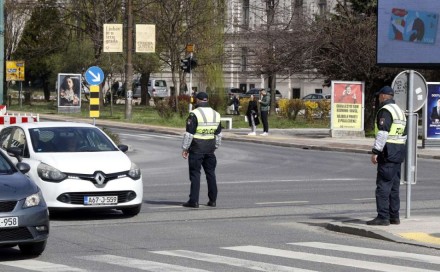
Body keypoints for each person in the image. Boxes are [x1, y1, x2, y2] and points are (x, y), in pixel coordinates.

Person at [367, 86, 407, 226]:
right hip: (398, 152)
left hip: (387, 152)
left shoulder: (385, 110)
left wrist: (375, 152)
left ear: (384, 96)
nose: (378, 98)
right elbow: (404, 134)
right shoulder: (400, 111)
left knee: (383, 186)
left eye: (379, 96)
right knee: (394, 187)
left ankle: (383, 217)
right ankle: (394, 216)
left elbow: (383, 133)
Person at [181, 92, 222, 208]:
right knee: (211, 174)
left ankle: (193, 201)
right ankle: (213, 200)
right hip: (210, 149)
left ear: (198, 100)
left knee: (195, 174)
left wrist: (185, 149)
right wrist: (215, 146)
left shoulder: (194, 114)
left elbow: (189, 134)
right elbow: (219, 135)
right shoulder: (216, 114)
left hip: (196, 148)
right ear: (207, 100)